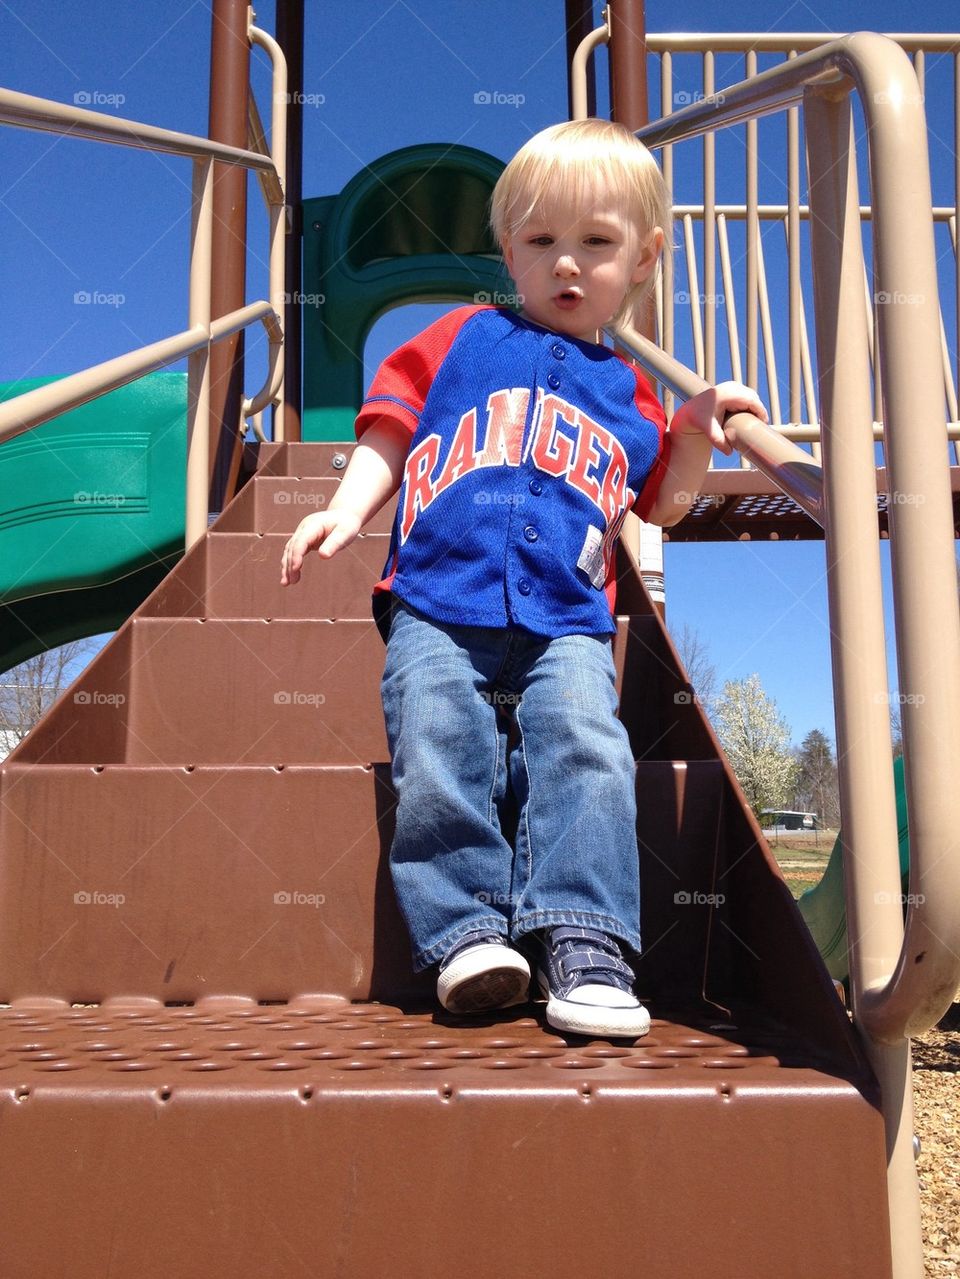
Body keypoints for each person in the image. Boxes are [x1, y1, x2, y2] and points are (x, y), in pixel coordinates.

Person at [280, 119, 767, 1039]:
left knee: (585, 745)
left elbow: (662, 504)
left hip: (570, 615)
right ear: (509, 250)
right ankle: (467, 932)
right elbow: (390, 426)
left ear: (645, 258)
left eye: (597, 242)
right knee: (439, 740)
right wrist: (347, 510)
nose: (567, 265)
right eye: (541, 242)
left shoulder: (633, 392)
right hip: (436, 595)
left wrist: (697, 428)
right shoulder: (462, 337)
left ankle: (586, 942)